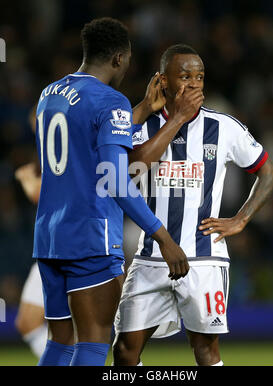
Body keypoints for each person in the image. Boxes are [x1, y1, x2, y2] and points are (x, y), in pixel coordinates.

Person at [33, 19, 203, 367]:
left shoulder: (49, 94)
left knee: (61, 341)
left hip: (50, 237)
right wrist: (163, 238)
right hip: (90, 236)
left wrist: (139, 111)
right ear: (119, 59)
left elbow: (86, 143)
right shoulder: (111, 100)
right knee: (95, 342)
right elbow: (115, 178)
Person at [112, 44, 273, 366]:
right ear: (163, 81)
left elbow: (269, 173)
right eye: (185, 76)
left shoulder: (224, 127)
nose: (194, 84)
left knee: (205, 351)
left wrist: (241, 219)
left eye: (199, 77)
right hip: (151, 258)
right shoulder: (143, 126)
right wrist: (174, 119)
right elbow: (129, 172)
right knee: (124, 351)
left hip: (204, 259)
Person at [14, 161, 46, 359]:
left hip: (63, 254)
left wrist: (26, 178)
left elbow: (40, 194)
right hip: (51, 253)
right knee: (27, 323)